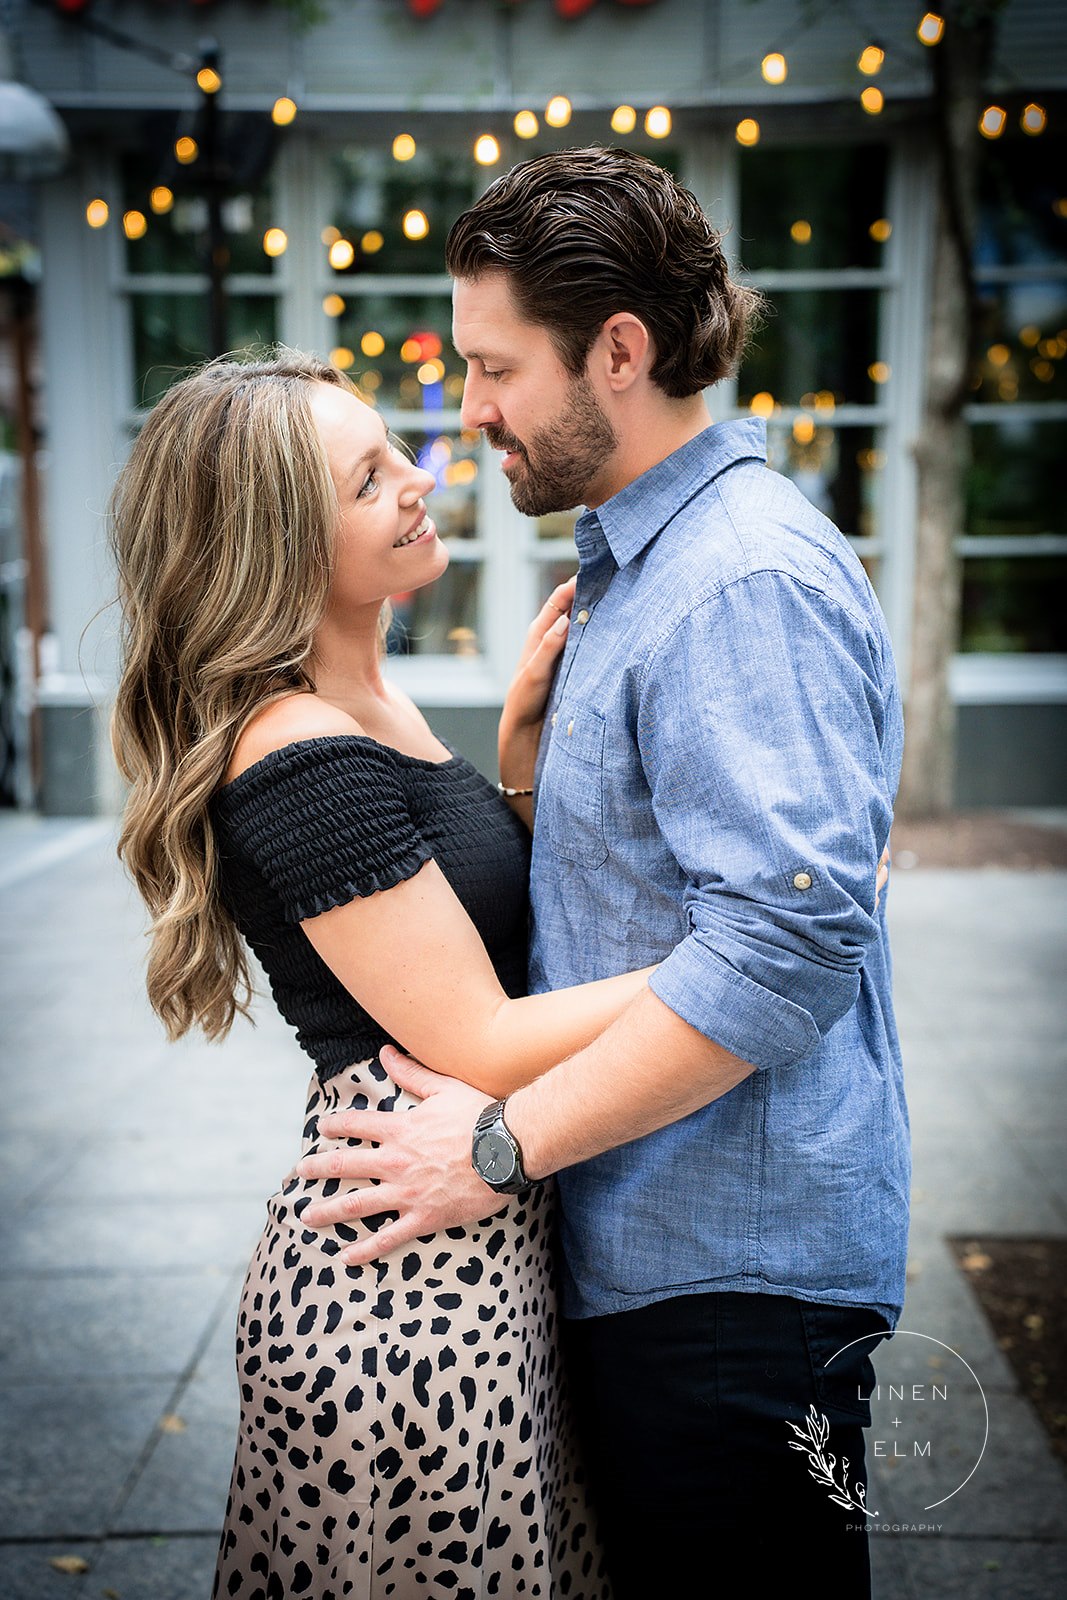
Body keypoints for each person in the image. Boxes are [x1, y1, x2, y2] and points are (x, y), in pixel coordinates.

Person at [295, 147, 910, 1596]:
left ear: (617, 352)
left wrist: (496, 1148)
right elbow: (646, 894)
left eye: (494, 366)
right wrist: (522, 763)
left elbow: (781, 950)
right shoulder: (645, 567)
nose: (469, 409)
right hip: (667, 1263)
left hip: (728, 1296)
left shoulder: (734, 581)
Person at [109, 350, 663, 1599]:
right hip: (402, 1307)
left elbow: (481, 939)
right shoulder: (299, 751)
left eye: (392, 452)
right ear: (281, 547)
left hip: (466, 1234)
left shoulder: (364, 706)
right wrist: (738, 957)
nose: (420, 480)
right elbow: (478, 1033)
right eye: (370, 479)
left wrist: (513, 751)